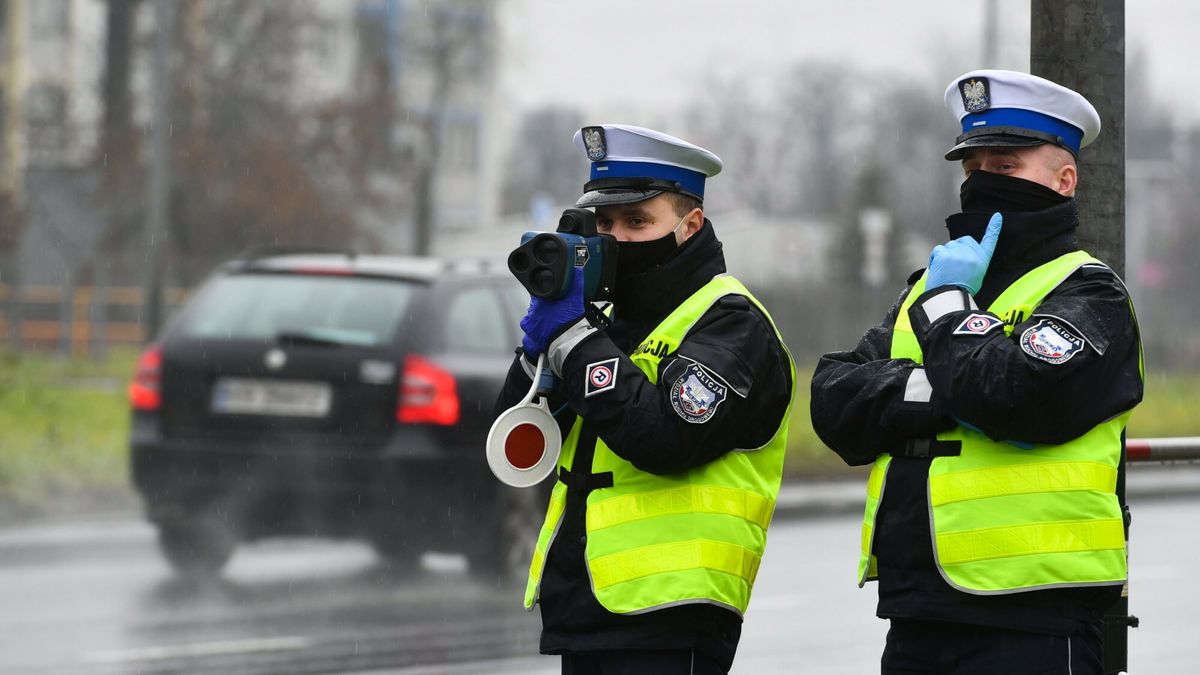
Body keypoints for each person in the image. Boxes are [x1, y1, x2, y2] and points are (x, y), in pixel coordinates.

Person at [810, 69, 1143, 674]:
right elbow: (835, 400)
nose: (983, 181)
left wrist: (949, 315)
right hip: (919, 608)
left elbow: (1014, 396)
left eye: (1006, 166)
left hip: (1035, 614)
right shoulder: (933, 287)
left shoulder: (1089, 292)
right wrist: (944, 387)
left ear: (1064, 180)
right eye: (973, 168)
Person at [494, 124, 795, 674]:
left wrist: (576, 342)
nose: (617, 239)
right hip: (588, 607)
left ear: (691, 225)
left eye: (638, 222)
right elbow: (518, 443)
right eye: (604, 223)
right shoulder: (609, 324)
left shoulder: (732, 321)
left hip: (671, 613)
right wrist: (536, 351)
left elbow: (663, 436)